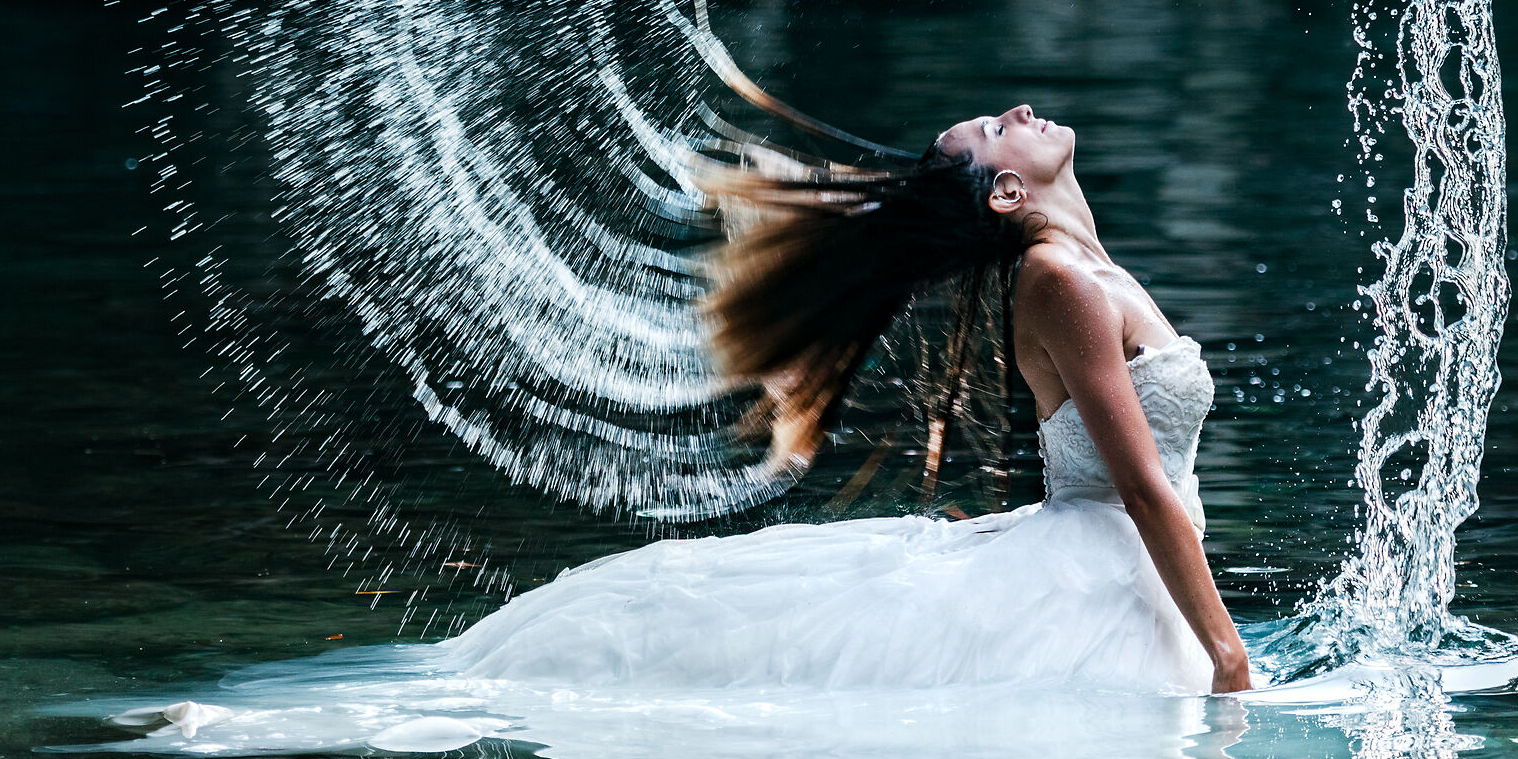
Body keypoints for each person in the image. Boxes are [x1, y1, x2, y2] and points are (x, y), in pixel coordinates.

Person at [435, 100, 1254, 696]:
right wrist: (1229, 654)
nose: (1022, 110)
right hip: (1103, 578)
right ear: (1008, 193)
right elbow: (1143, 489)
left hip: (1130, 575)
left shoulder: (1089, 273)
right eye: (1002, 130)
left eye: (1000, 119)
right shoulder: (1059, 281)